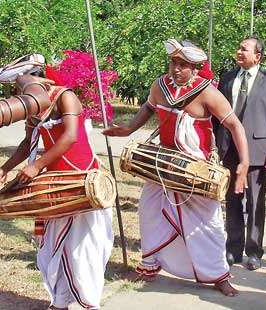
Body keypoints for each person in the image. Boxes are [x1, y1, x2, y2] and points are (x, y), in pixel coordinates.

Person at [103, 39, 249, 296]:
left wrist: (244, 166)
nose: (176, 69)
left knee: (208, 223)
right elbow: (148, 107)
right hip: (162, 164)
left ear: (195, 68)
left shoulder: (208, 93)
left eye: (183, 65)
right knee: (150, 211)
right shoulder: (160, 86)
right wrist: (127, 129)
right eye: (174, 63)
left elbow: (235, 126)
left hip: (196, 169)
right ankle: (149, 265)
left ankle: (218, 275)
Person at [0, 56, 113, 309]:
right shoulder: (34, 106)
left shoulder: (64, 96)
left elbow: (69, 136)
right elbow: (28, 143)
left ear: (37, 77)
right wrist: (4, 169)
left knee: (84, 248)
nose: (18, 91)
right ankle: (59, 301)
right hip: (54, 182)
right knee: (53, 249)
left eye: (20, 84)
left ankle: (90, 303)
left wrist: (36, 166)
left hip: (82, 179)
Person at [215, 36, 266, 271]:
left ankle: (254, 251)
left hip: (258, 150)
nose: (239, 51)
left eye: (244, 49)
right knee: (232, 200)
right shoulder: (226, 79)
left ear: (258, 56)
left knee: (255, 202)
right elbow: (217, 116)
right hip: (229, 149)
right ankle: (233, 248)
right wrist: (217, 144)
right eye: (238, 47)